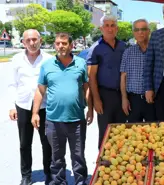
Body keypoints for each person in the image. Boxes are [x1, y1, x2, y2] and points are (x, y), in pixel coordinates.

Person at [32, 32, 93, 185]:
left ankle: (81, 181)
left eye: (64, 43)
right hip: (53, 120)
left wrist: (90, 109)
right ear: (55, 45)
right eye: (58, 43)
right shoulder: (47, 66)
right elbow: (40, 91)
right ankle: (59, 182)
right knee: (56, 157)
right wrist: (35, 113)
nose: (61, 46)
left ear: (71, 45)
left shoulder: (80, 63)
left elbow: (87, 88)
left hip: (77, 119)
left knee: (78, 156)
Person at [8, 29, 52, 185]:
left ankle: (49, 172)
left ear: (40, 40)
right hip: (23, 106)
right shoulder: (16, 59)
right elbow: (12, 84)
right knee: (24, 144)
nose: (32, 43)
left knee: (47, 143)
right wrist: (11, 106)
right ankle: (26, 175)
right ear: (23, 42)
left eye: (35, 39)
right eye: (29, 40)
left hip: (45, 107)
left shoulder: (49, 59)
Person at [87, 15, 127, 149]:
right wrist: (96, 100)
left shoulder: (123, 46)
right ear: (101, 28)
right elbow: (91, 77)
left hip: (122, 95)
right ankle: (103, 166)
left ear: (117, 28)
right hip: (104, 95)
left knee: (121, 132)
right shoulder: (96, 49)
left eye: (113, 25)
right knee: (105, 133)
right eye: (106, 25)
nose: (110, 29)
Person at [120, 19, 156, 122]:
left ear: (149, 31)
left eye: (143, 29)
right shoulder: (128, 52)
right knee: (133, 134)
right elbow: (123, 77)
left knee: (154, 133)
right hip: (133, 101)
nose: (140, 32)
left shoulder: (156, 51)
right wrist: (124, 99)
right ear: (133, 33)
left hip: (153, 100)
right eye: (137, 30)